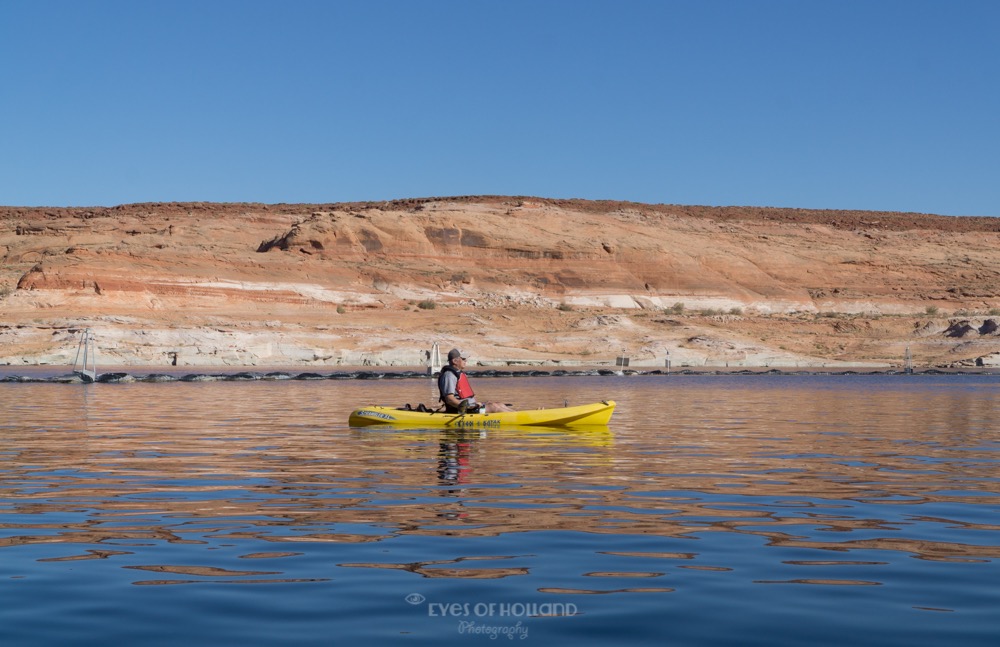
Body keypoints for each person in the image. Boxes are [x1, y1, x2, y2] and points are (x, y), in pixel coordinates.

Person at [438, 348, 515, 414]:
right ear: (455, 361)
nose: (466, 361)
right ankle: (518, 418)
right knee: (493, 407)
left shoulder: (457, 373)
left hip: (471, 406)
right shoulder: (449, 375)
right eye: (463, 359)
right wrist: (468, 406)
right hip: (461, 410)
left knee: (499, 404)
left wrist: (474, 404)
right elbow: (449, 399)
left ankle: (519, 415)